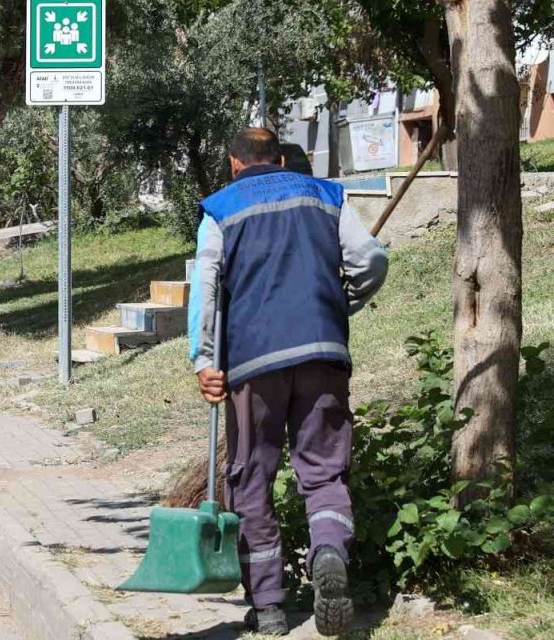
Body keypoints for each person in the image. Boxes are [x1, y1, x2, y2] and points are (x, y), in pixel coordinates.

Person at [189, 128, 388, 637]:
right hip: (324, 351)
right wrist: (344, 304)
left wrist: (204, 360)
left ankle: (271, 607)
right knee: (323, 472)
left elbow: (207, 288)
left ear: (234, 164)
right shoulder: (327, 195)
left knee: (251, 476)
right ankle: (327, 552)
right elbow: (369, 260)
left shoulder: (220, 209)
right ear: (280, 158)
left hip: (252, 364)